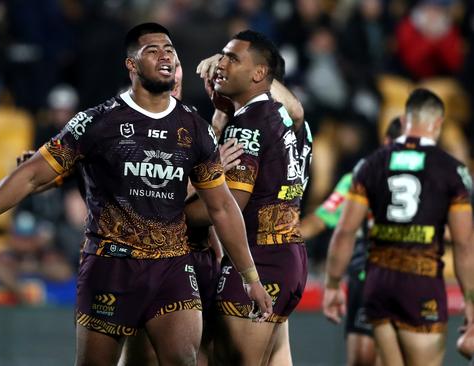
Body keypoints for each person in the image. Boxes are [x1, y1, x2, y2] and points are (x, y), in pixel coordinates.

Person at [0, 22, 272, 366]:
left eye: (169, 50)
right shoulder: (96, 123)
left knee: (183, 359)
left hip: (171, 267)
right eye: (153, 50)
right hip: (110, 266)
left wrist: (251, 278)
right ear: (131, 64)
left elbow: (222, 208)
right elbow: (30, 176)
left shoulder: (194, 128)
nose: (165, 56)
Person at [323, 88, 474, 366]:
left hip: (378, 283)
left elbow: (344, 231)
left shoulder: (370, 165)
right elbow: (465, 245)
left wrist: (332, 284)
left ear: (405, 120)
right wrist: (472, 303)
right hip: (421, 284)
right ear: (438, 123)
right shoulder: (452, 171)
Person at [185, 30, 307, 365]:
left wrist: (169, 213)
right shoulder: (285, 118)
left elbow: (226, 208)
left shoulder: (248, 126)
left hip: (257, 263)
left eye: (232, 58)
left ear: (258, 74)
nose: (221, 64)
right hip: (289, 259)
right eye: (222, 56)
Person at [301, 117, 402, 366]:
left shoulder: (362, 174)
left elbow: (320, 222)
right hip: (413, 274)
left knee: (365, 359)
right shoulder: (437, 176)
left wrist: (276, 241)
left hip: (369, 271)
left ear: (386, 141)